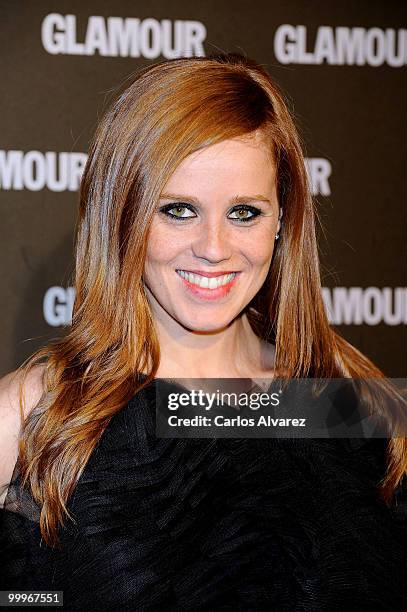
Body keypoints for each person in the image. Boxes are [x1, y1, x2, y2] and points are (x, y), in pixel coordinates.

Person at [0, 52, 406, 610]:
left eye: (245, 212)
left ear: (283, 218)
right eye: (178, 210)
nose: (214, 249)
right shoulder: (37, 415)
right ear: (122, 214)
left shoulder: (353, 404)